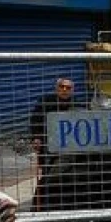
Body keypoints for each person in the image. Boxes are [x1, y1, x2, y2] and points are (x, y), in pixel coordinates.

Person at [29, 78, 85, 210]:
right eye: (61, 87)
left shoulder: (78, 105)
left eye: (68, 88)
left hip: (70, 149)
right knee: (48, 176)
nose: (64, 90)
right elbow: (35, 121)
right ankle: (38, 208)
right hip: (48, 148)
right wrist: (36, 138)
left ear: (72, 90)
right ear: (56, 88)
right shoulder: (45, 102)